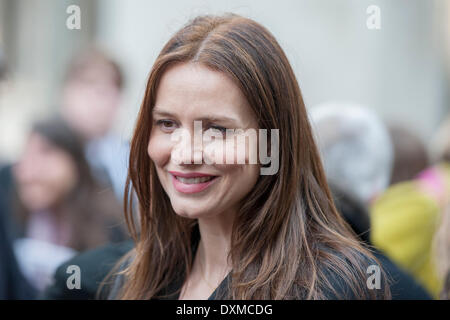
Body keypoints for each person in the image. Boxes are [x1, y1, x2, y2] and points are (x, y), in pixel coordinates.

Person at [105, 13, 389, 300]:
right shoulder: (139, 276)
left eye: (216, 129)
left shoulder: (329, 286)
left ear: (271, 143)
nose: (185, 153)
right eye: (168, 124)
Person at [8, 117, 127, 293]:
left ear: (75, 163)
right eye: (26, 155)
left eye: (45, 154)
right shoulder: (17, 216)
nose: (27, 172)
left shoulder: (109, 226)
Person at [60, 49, 129, 203]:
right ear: (67, 92)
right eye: (89, 83)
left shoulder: (133, 161)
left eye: (110, 86)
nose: (98, 96)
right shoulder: (44, 155)